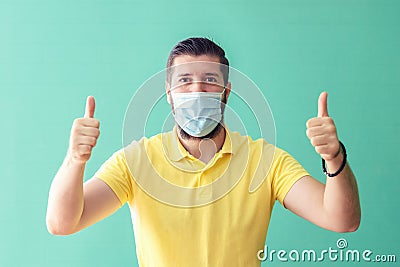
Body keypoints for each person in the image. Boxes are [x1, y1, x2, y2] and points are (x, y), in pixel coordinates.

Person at [46, 37, 361, 266]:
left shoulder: (265, 161)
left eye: (210, 80)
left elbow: (342, 220)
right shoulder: (136, 161)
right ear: (169, 95)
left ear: (226, 92)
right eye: (184, 81)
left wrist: (334, 158)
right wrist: (74, 160)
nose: (197, 91)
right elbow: (63, 223)